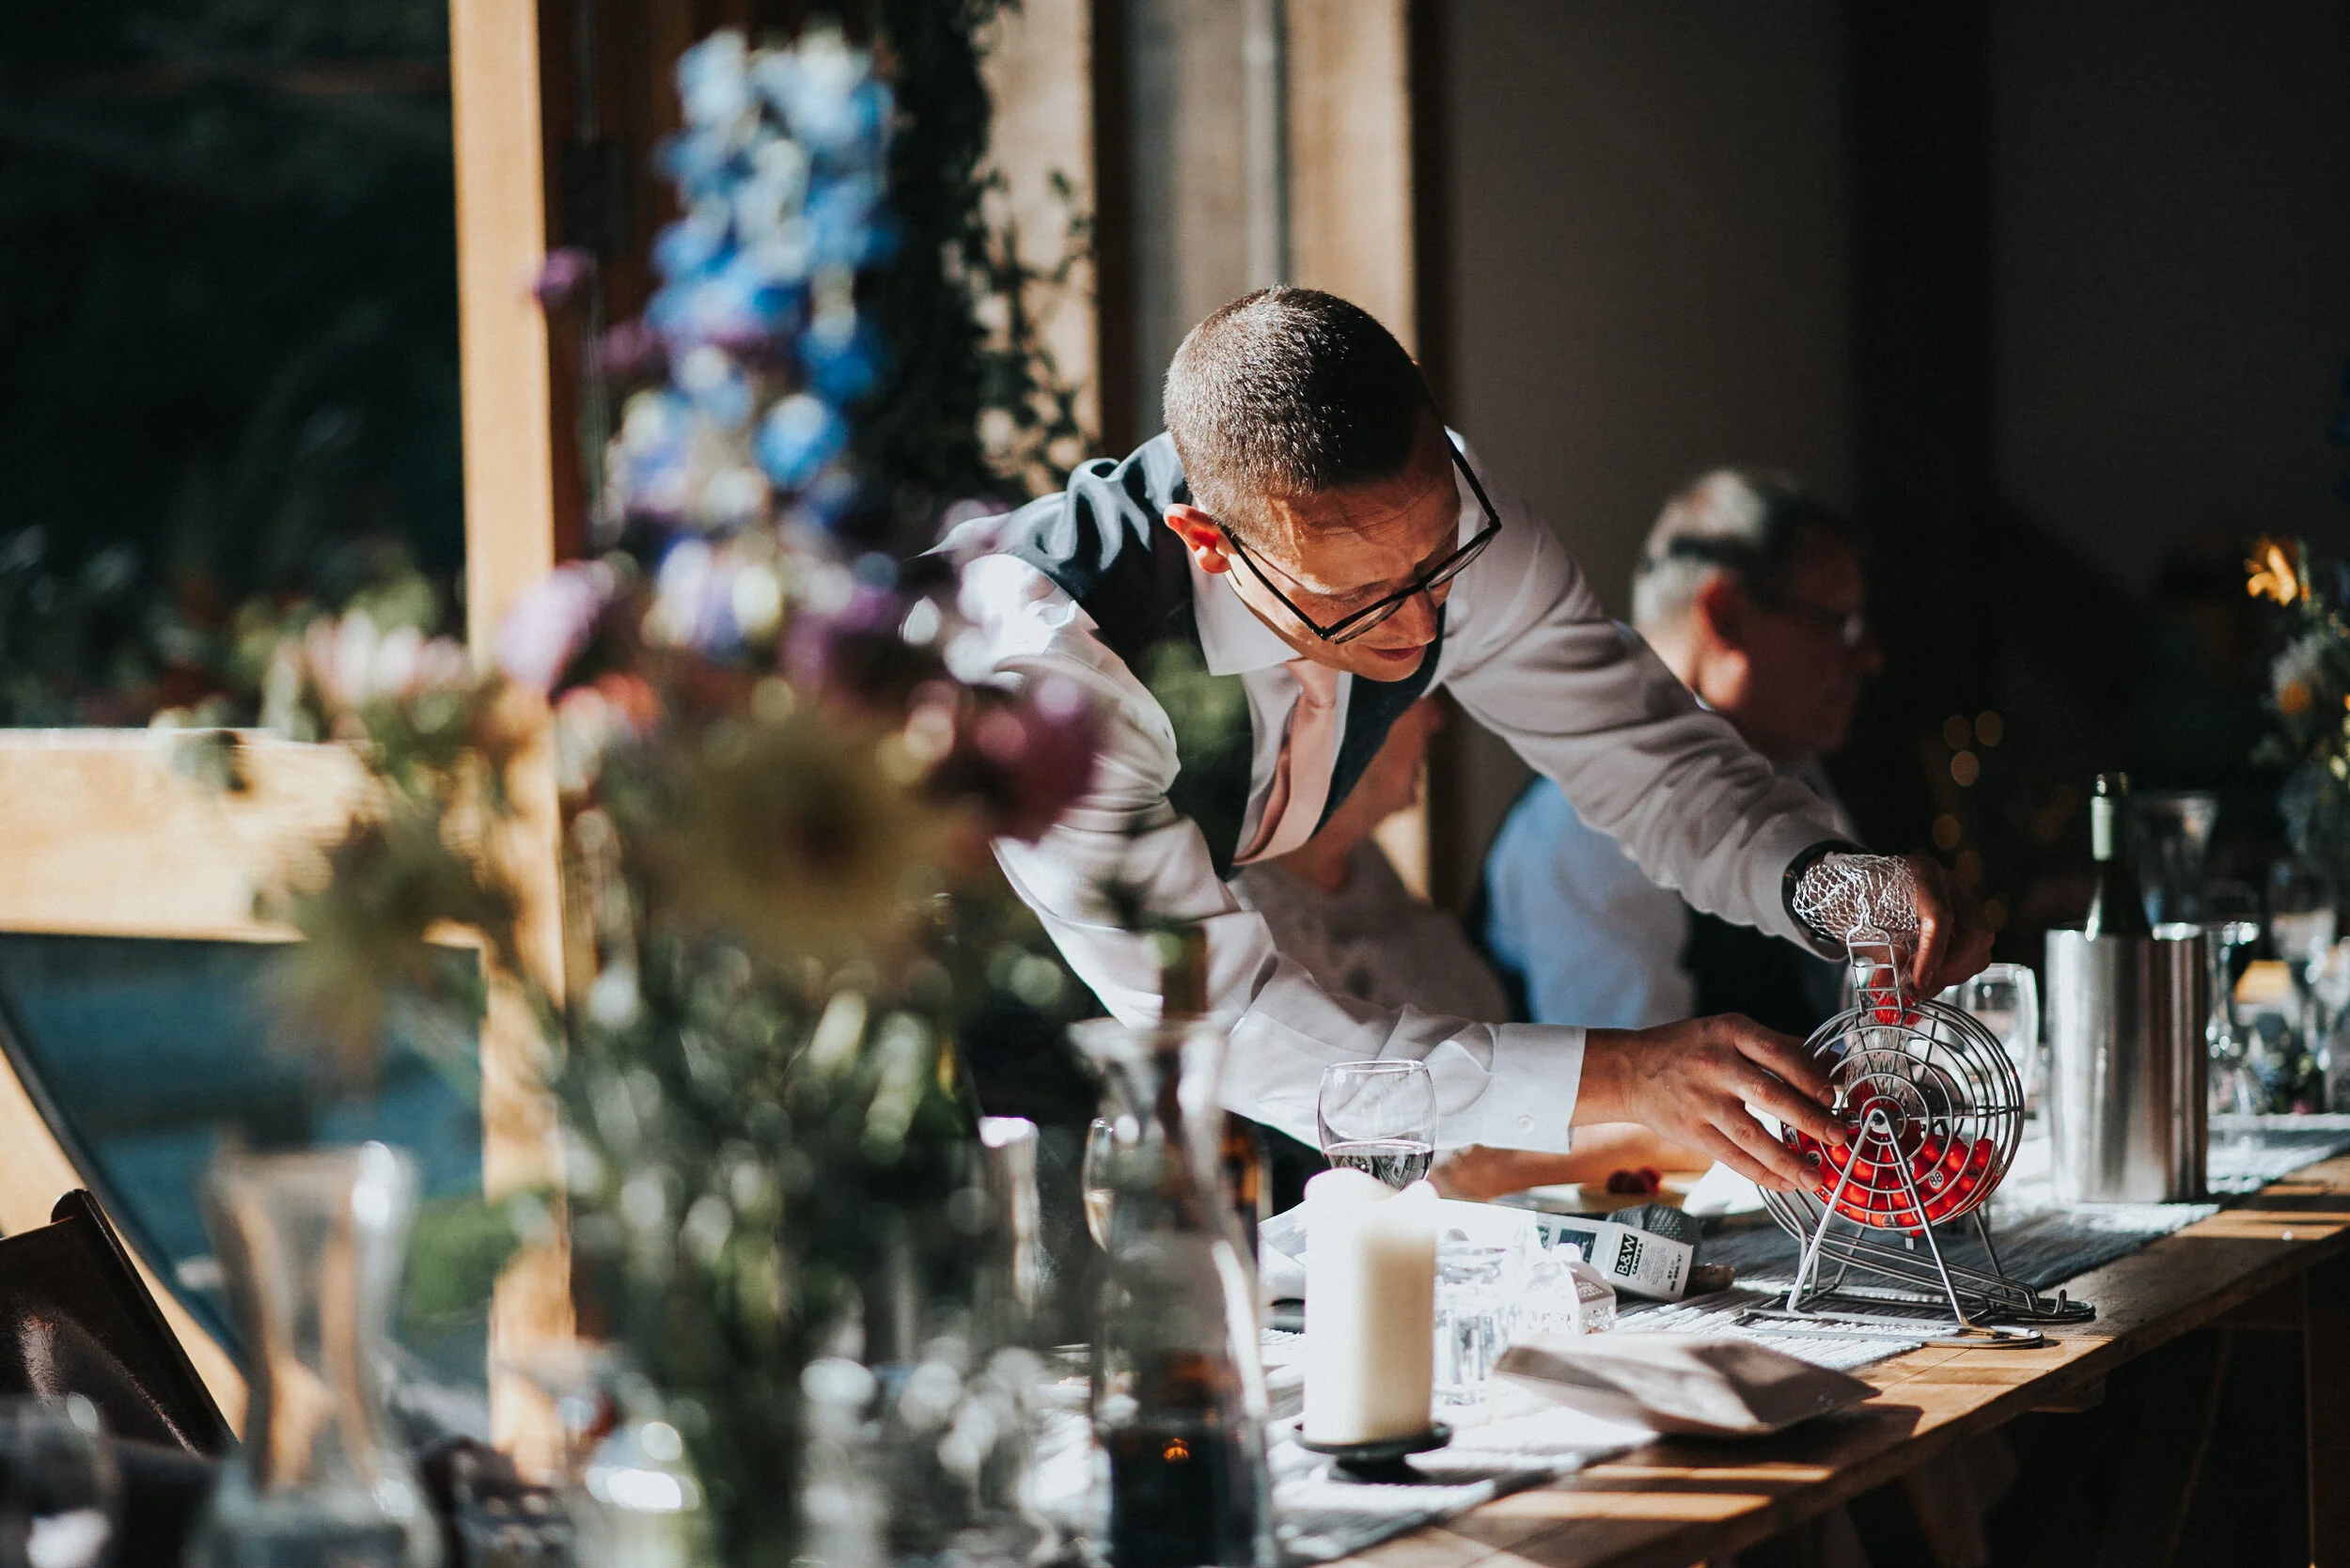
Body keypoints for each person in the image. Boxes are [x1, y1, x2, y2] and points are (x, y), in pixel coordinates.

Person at [943, 286, 1989, 1189]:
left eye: (1437, 567)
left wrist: (1836, 891)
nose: (1419, 625)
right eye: (1358, 600)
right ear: (1208, 545)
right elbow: (1235, 1024)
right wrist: (1628, 1077)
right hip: (939, 1070)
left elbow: (1648, 755)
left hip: (1168, 1087)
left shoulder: (1434, 514)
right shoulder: (1051, 668)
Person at [1232, 697, 1700, 1203]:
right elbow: (1424, 1166)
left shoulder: (1369, 873)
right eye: (1412, 696)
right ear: (1311, 709)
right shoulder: (1239, 922)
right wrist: (1661, 1117)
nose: (1436, 716)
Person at [1484, 470, 1880, 1039]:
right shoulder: (1585, 824)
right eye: (1837, 624)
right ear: (1726, 616)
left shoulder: (1798, 775)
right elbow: (1627, 1099)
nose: (1868, 658)